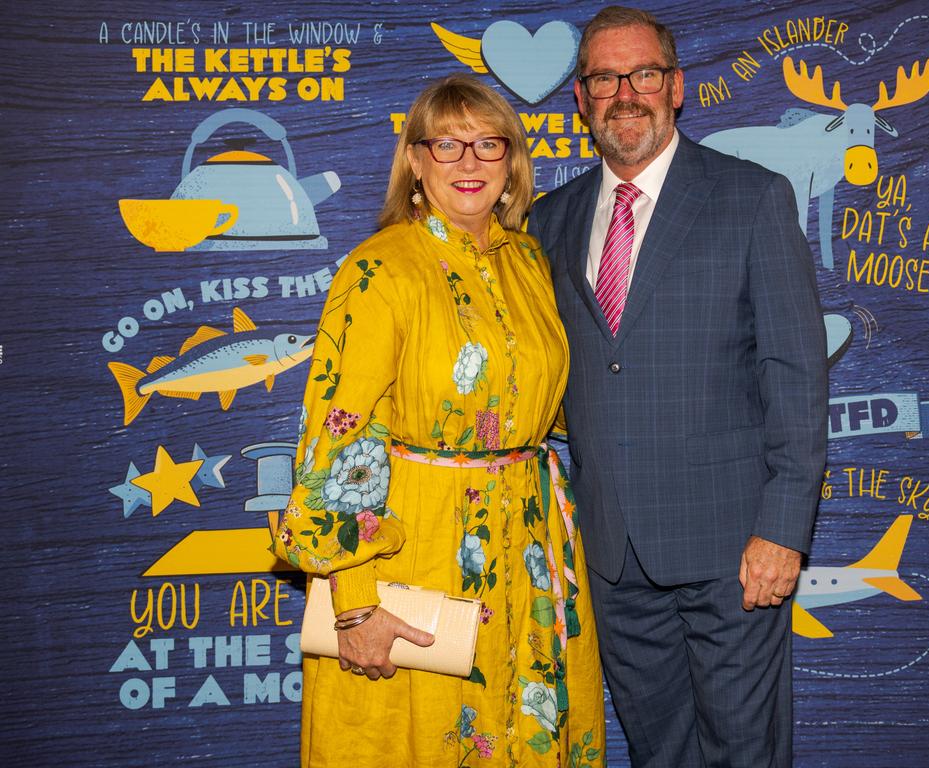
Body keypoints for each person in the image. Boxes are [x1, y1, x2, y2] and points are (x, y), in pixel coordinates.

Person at [270, 74, 605, 768]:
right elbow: (338, 440)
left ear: (513, 162)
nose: (469, 162)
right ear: (415, 161)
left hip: (532, 547)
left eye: (489, 144)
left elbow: (557, 406)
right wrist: (355, 604)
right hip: (415, 552)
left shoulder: (528, 262)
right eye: (447, 144)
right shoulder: (379, 270)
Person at [527, 6, 828, 767]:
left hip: (735, 550)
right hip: (612, 555)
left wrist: (784, 529)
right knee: (660, 753)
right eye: (604, 77)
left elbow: (795, 375)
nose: (625, 92)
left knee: (744, 752)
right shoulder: (547, 223)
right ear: (582, 98)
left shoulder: (751, 198)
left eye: (644, 74)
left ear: (678, 87)